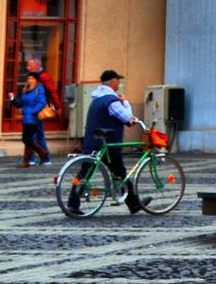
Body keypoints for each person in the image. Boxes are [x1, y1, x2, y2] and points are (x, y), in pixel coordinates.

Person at [71, 69, 143, 213]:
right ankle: (134, 204)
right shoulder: (112, 101)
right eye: (118, 81)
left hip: (92, 142)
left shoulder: (97, 99)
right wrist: (126, 102)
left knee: (85, 173)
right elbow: (126, 117)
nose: (119, 84)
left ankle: (72, 204)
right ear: (113, 82)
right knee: (120, 173)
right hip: (109, 144)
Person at [12, 72, 54, 168]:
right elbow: (20, 103)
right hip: (26, 118)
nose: (30, 80)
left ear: (36, 80)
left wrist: (32, 112)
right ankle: (37, 157)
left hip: (34, 117)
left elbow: (42, 102)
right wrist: (12, 99)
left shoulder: (39, 88)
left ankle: (35, 157)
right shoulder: (26, 89)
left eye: (32, 78)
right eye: (28, 78)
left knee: (29, 138)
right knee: (30, 138)